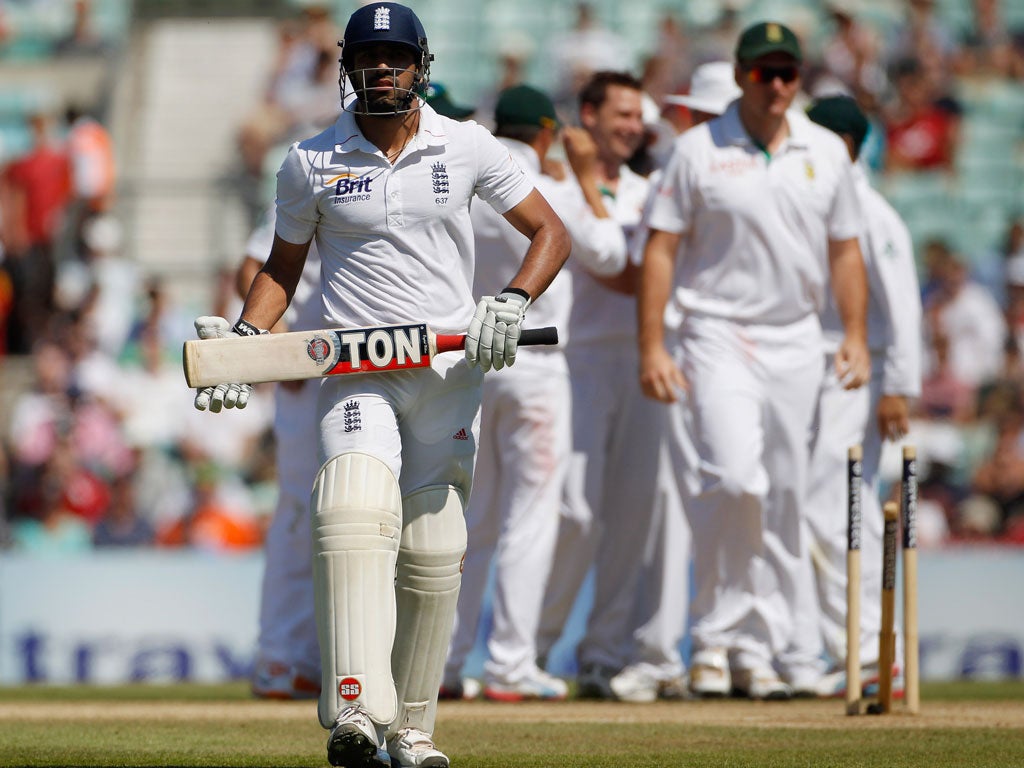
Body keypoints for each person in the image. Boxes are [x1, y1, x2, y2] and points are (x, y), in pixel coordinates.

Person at [191, 4, 569, 767]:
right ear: (349, 67)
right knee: (354, 507)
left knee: (433, 548)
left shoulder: (465, 145)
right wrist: (246, 342)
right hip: (358, 372)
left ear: (421, 65)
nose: (383, 70)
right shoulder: (311, 159)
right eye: (370, 58)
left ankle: (415, 732)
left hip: (448, 374)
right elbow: (282, 270)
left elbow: (550, 232)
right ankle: (357, 714)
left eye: (396, 57)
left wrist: (512, 299)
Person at [637, 21, 871, 700]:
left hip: (797, 337)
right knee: (737, 481)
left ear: (799, 79)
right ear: (739, 75)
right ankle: (714, 636)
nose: (775, 85)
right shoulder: (697, 150)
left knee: (786, 494)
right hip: (715, 331)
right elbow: (660, 249)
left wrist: (852, 334)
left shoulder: (826, 151)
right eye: (763, 72)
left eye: (787, 73)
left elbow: (846, 250)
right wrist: (653, 344)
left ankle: (756, 649)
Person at [440, 84, 629, 703]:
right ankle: (510, 665)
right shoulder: (550, 188)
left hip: (472, 365)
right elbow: (608, 251)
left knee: (474, 521)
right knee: (530, 520)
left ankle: (445, 662)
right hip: (538, 365)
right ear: (546, 132)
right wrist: (584, 177)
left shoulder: (468, 180)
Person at [533, 70, 674, 701]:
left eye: (637, 116)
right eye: (620, 114)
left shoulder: (655, 189)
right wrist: (588, 181)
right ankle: (532, 647)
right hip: (581, 360)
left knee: (632, 516)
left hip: (645, 362)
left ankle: (603, 653)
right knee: (576, 512)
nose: (631, 127)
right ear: (586, 116)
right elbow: (619, 271)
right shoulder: (556, 188)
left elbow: (645, 271)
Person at [802, 95, 922, 697]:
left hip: (862, 369)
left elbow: (902, 305)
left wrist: (899, 385)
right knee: (815, 501)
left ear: (845, 145)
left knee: (838, 493)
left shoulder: (873, 214)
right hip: (820, 366)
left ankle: (879, 647)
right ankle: (847, 648)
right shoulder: (819, 200)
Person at [238, 204, 323, 701]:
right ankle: (279, 656)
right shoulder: (317, 173)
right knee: (299, 511)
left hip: (369, 365)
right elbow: (252, 266)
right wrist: (280, 344)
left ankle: (312, 657)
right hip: (311, 370)